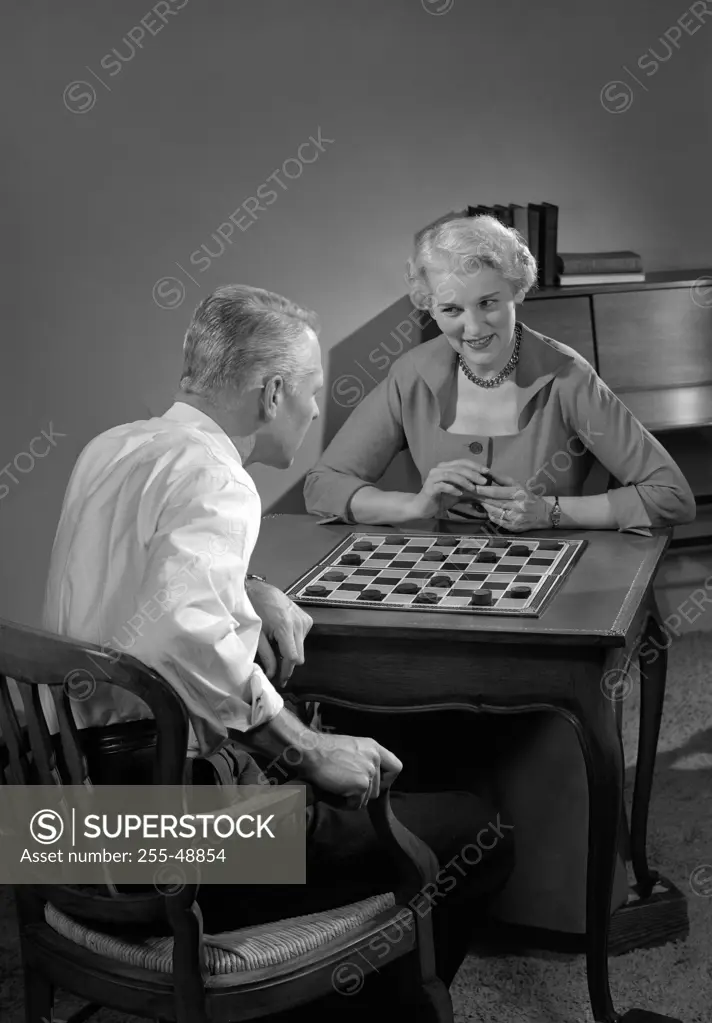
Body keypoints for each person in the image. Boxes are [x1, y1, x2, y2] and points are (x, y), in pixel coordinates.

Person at [41, 284, 514, 1005]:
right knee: (475, 829)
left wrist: (251, 585)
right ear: (272, 393)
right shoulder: (218, 477)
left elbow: (144, 582)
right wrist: (306, 748)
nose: (317, 408)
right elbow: (177, 632)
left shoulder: (116, 446)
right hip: (167, 848)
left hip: (71, 829)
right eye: (311, 391)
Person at [303, 214, 696, 933]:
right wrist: (413, 501)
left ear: (516, 289)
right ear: (428, 305)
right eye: (451, 309)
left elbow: (669, 493)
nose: (473, 326)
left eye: (489, 302)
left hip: (552, 598)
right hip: (441, 592)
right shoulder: (412, 374)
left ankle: (537, 900)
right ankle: (422, 887)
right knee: (377, 699)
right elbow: (325, 485)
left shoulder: (567, 375)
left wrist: (552, 509)